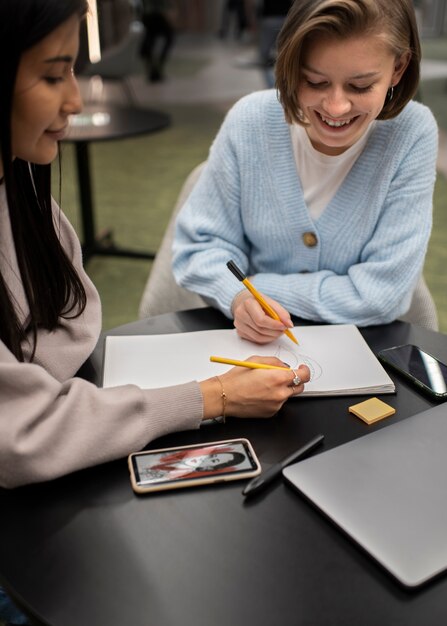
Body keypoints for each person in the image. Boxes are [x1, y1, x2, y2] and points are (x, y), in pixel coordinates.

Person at [0, 0, 309, 622]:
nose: (75, 102)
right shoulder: (247, 124)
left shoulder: (25, 196)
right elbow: (22, 429)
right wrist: (215, 389)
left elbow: (68, 324)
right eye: (54, 75)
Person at [172, 0, 438, 345]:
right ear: (291, 65)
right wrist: (239, 298)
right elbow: (199, 249)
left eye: (360, 86)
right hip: (255, 349)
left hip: (366, 349)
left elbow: (380, 295)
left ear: (399, 68)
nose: (336, 107)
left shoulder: (411, 134)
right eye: (314, 81)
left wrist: (253, 285)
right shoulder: (250, 121)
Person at [139, 0, 176, 82]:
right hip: (153, 13)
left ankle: (155, 70)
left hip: (150, 13)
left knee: (150, 40)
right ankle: (155, 70)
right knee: (154, 39)